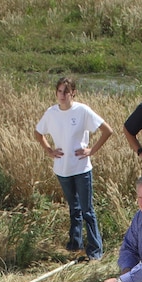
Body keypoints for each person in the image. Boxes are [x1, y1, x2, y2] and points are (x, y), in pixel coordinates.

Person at [34, 76, 113, 260]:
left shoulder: (82, 111)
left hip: (81, 168)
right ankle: (74, 245)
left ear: (73, 93)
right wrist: (48, 150)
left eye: (66, 92)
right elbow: (38, 133)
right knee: (74, 209)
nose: (62, 95)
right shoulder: (51, 113)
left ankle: (95, 251)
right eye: (59, 91)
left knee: (87, 210)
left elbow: (107, 130)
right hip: (62, 169)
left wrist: (91, 150)